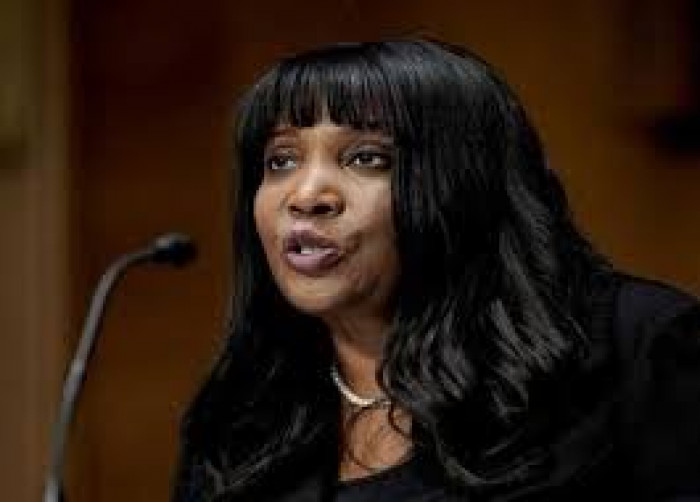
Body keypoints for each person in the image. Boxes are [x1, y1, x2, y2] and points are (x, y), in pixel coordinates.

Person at [172, 39, 700, 501]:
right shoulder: (241, 422)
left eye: (366, 158)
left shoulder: (636, 346)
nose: (306, 196)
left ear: (465, 184)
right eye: (281, 161)